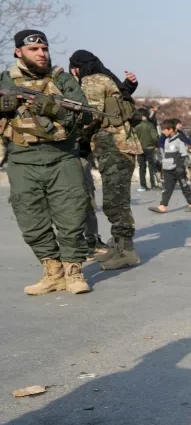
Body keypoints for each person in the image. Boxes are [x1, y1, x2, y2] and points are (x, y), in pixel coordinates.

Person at [0, 30, 91, 294]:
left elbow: (85, 115)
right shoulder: (5, 79)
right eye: (34, 50)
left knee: (71, 214)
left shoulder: (62, 79)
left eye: (44, 48)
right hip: (21, 158)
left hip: (61, 156)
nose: (41, 54)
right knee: (30, 217)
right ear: (18, 52)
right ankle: (53, 272)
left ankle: (73, 271)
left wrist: (51, 108)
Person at [69, 49, 142, 271]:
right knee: (115, 199)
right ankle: (118, 247)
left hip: (114, 147)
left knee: (115, 202)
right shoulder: (106, 78)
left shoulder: (91, 81)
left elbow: (91, 115)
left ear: (77, 68)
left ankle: (127, 251)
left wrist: (72, 132)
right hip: (119, 147)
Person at [149, 120, 191, 214]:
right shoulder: (166, 140)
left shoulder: (179, 139)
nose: (163, 132)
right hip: (168, 168)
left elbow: (184, 155)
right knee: (167, 188)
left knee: (184, 186)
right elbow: (165, 153)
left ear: (171, 130)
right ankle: (163, 206)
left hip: (178, 168)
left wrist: (181, 167)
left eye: (164, 130)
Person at [133, 108, 159, 191]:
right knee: (152, 167)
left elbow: (133, 138)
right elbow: (155, 137)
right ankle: (153, 184)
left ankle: (143, 185)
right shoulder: (150, 125)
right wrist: (156, 144)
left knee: (142, 168)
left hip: (140, 149)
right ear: (146, 116)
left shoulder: (136, 126)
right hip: (150, 148)